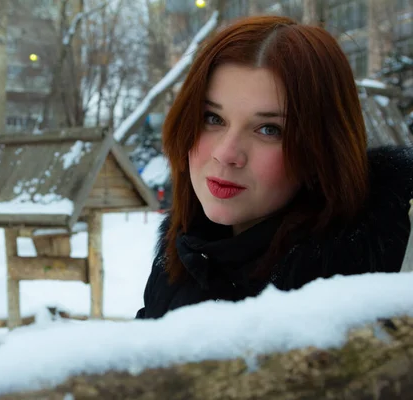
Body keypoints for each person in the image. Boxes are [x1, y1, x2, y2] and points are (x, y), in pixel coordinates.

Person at [135, 15, 413, 319]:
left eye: (269, 129)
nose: (227, 154)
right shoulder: (181, 255)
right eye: (213, 119)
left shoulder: (380, 278)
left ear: (321, 148)